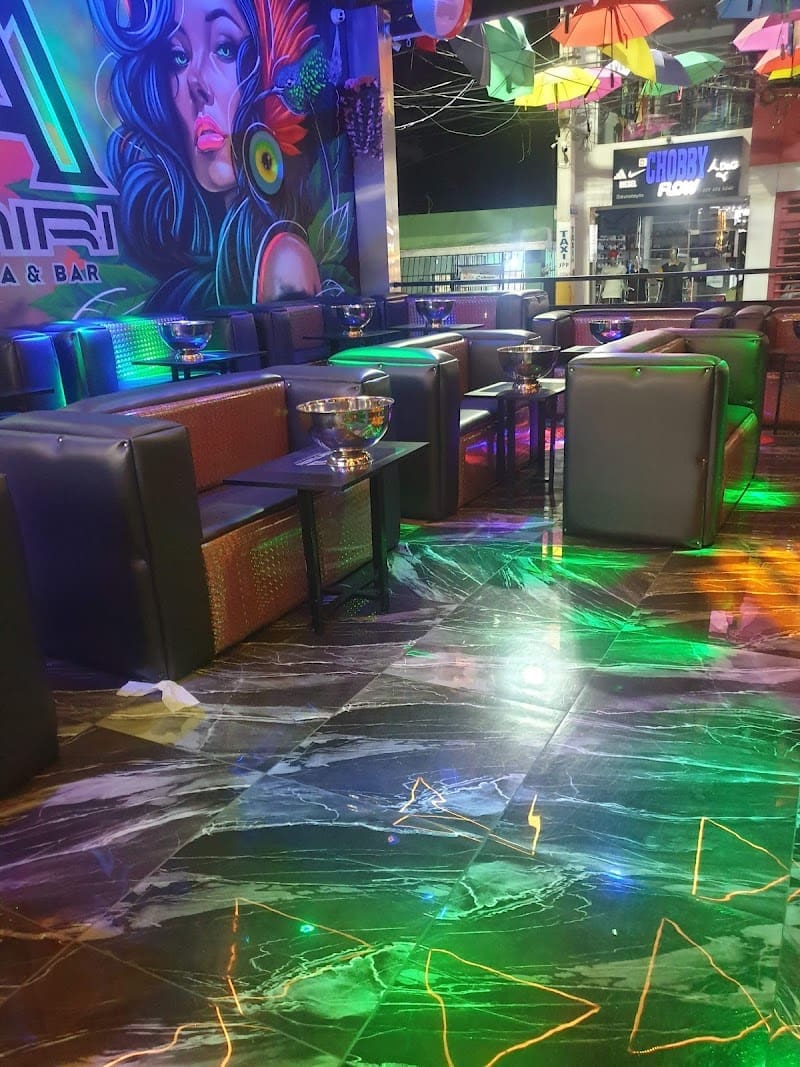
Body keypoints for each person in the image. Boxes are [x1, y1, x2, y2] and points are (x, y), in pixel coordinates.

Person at [87, 0, 331, 312]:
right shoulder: (189, 260)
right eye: (179, 57)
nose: (196, 81)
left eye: (225, 49)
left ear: (267, 69)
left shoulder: (284, 261)